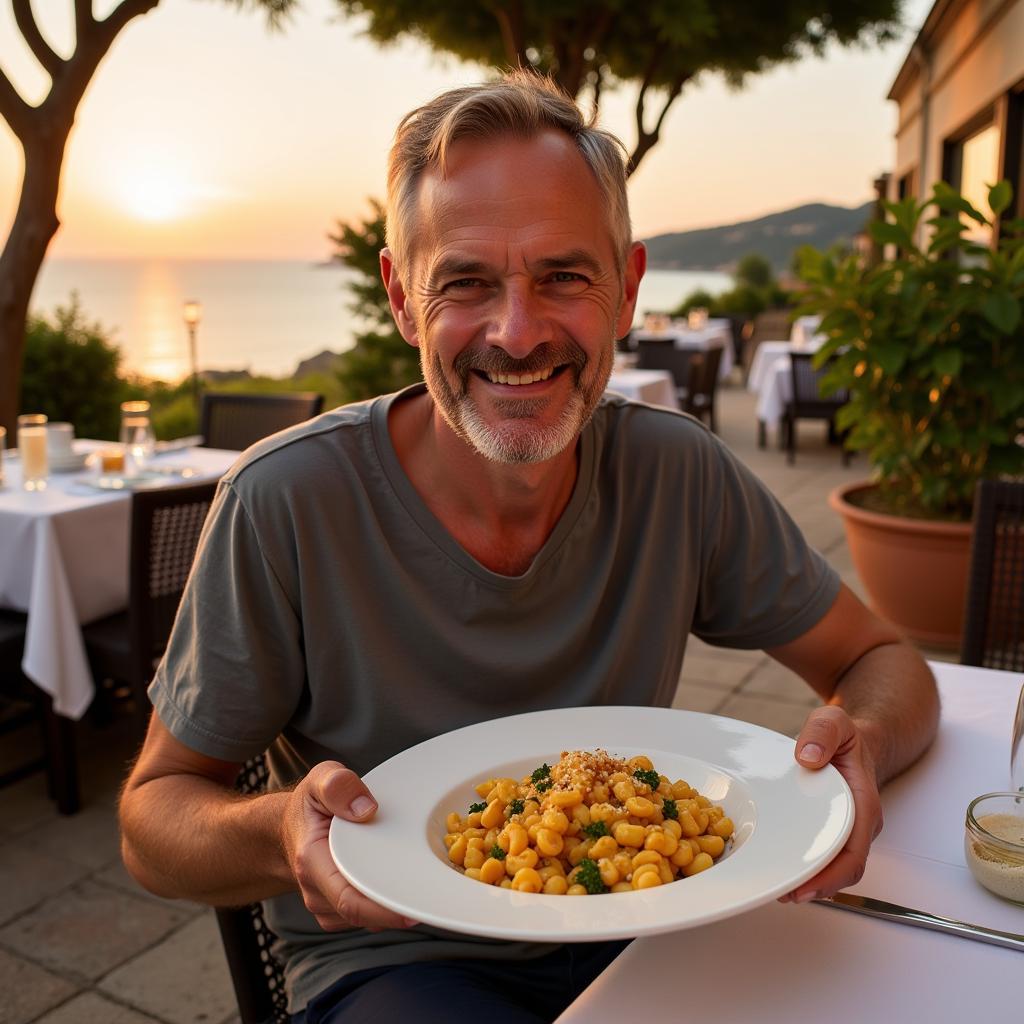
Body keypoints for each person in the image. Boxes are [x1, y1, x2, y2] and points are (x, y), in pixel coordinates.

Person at [118, 72, 939, 1023]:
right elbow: (153, 821)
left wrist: (863, 745)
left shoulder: (677, 472)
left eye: (563, 276)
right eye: (465, 281)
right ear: (400, 299)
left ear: (626, 290)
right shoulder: (284, 501)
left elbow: (881, 659)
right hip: (397, 964)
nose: (518, 332)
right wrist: (280, 828)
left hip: (660, 921)